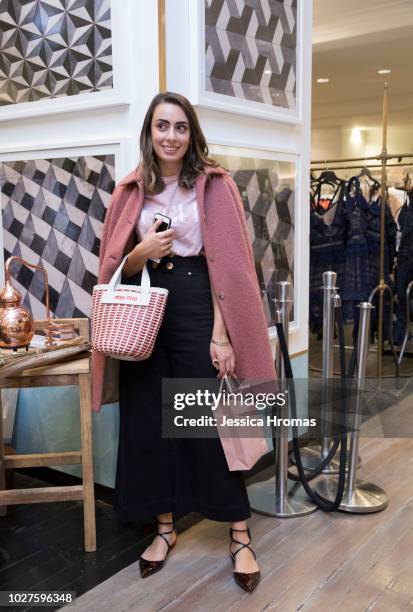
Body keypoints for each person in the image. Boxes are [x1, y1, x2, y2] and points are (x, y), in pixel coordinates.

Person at [92, 91, 276, 593]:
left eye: (179, 127)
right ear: (149, 133)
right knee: (150, 420)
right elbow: (114, 268)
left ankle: (239, 533)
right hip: (146, 311)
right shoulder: (130, 190)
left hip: (200, 304)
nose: (170, 136)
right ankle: (165, 527)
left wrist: (222, 335)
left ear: (191, 133)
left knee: (209, 421)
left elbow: (230, 266)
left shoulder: (215, 186)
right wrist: (142, 252)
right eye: (161, 126)